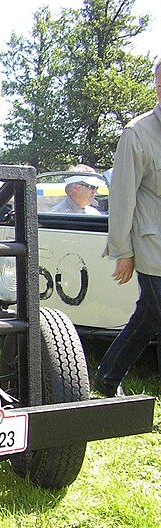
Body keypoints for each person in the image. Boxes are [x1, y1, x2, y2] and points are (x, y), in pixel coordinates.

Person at [93, 56, 161, 397]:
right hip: (153, 248)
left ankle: (107, 377)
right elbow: (122, 198)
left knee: (148, 318)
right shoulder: (137, 133)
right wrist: (122, 250)